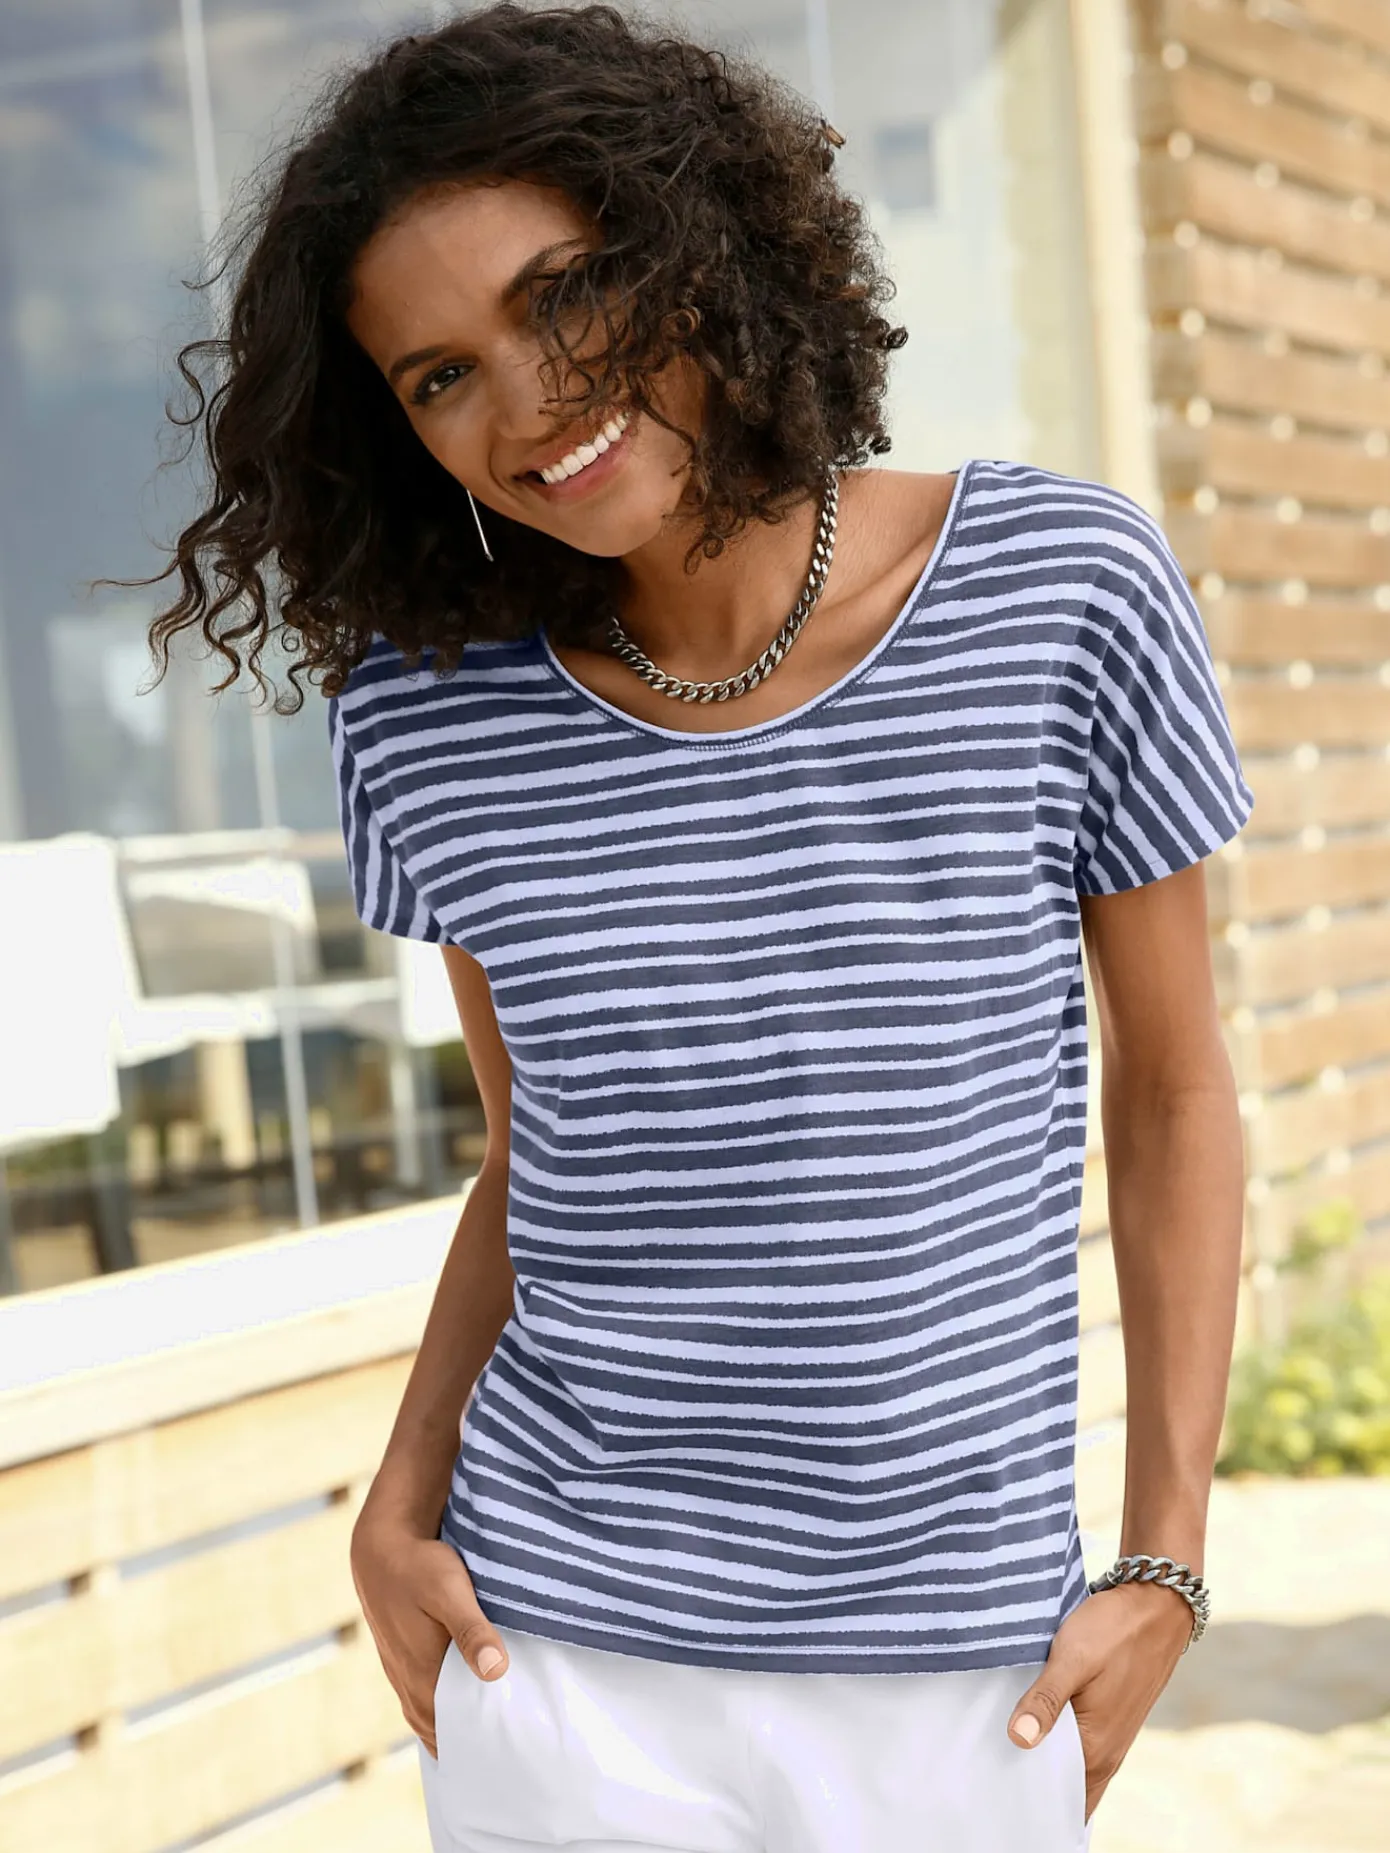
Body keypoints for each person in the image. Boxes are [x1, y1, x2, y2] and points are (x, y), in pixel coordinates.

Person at [133, 6, 1253, 1848]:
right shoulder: (429, 714)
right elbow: (534, 1148)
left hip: (957, 1665)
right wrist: (399, 1502)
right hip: (553, 1657)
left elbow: (1174, 1090)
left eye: (565, 294)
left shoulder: (1058, 588)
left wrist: (1166, 1554)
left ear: (700, 248)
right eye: (438, 375)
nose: (527, 403)